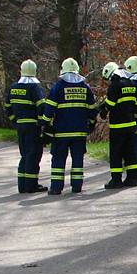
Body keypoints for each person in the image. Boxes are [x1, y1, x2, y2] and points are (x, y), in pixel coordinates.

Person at [40, 58, 97, 195]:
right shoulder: (85, 87)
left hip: (61, 132)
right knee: (78, 160)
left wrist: (45, 124)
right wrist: (91, 123)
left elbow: (49, 109)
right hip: (79, 132)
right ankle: (77, 187)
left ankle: (56, 188)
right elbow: (92, 110)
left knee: (58, 160)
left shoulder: (58, 87)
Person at [5, 59, 47, 193]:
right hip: (32, 127)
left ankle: (22, 185)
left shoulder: (13, 88)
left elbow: (8, 108)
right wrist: (42, 123)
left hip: (20, 127)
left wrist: (14, 122)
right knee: (33, 155)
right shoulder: (34, 88)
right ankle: (31, 185)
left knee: (24, 155)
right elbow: (42, 107)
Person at [100, 61, 137, 189]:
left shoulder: (115, 84)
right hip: (131, 126)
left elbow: (111, 104)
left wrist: (103, 111)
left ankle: (116, 180)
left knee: (116, 153)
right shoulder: (131, 83)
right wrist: (134, 117)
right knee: (130, 152)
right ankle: (132, 178)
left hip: (117, 127)